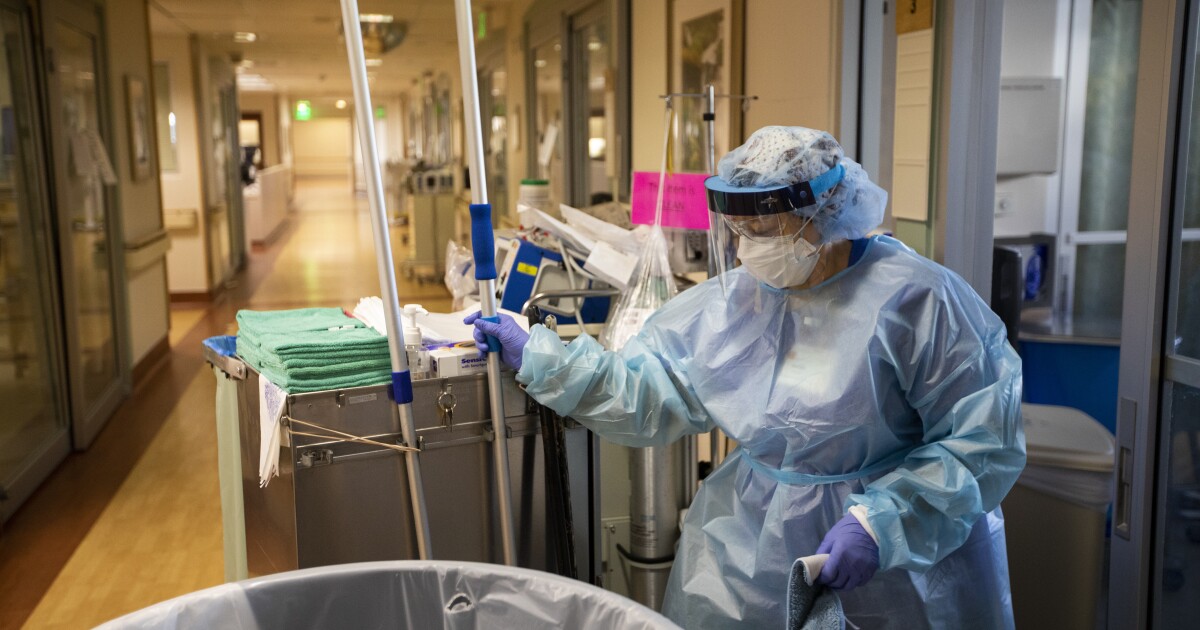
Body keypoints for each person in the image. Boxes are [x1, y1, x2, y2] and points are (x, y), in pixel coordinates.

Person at [466, 126, 1025, 629]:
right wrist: (541, 358)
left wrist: (886, 522)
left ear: (823, 213)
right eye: (739, 228)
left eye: (765, 227)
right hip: (753, 548)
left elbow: (983, 442)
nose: (747, 246)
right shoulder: (735, 304)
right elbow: (647, 389)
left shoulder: (919, 300)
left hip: (900, 566)